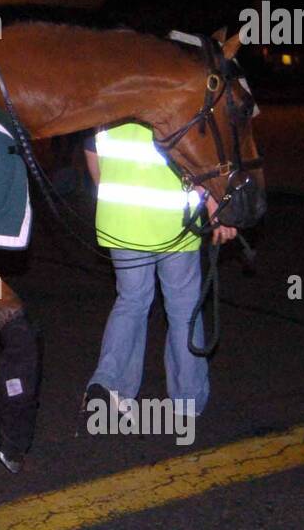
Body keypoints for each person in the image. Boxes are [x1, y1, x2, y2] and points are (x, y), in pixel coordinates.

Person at [80, 123, 236, 425]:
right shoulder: (174, 110)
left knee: (131, 301)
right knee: (183, 308)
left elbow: (93, 161)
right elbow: (199, 165)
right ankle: (187, 400)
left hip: (121, 223)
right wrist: (216, 208)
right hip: (174, 225)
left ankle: (110, 385)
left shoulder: (106, 107)